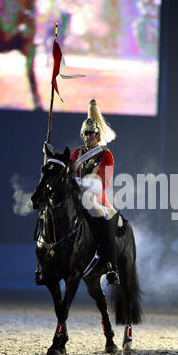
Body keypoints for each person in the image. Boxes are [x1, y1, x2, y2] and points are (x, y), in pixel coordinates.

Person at [70, 98, 120, 285]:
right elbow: (69, 175)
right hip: (76, 198)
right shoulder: (76, 154)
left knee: (103, 222)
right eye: (85, 133)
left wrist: (80, 182)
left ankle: (110, 268)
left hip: (96, 199)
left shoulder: (106, 154)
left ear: (97, 135)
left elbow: (104, 182)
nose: (87, 136)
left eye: (90, 133)